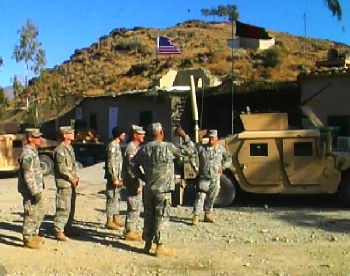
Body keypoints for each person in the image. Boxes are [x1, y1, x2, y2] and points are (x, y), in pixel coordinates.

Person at [132, 123, 194, 257]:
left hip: (149, 188)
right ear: (160, 133)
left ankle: (147, 244)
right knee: (162, 216)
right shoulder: (169, 147)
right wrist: (184, 136)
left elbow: (132, 164)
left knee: (149, 216)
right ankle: (160, 247)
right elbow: (190, 150)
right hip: (163, 189)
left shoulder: (144, 149)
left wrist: (142, 177)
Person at [190, 129, 232, 226]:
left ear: (216, 138)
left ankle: (207, 214)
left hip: (215, 177)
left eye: (213, 138)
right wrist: (195, 168)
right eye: (209, 138)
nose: (211, 140)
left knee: (212, 196)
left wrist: (223, 167)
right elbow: (192, 156)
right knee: (200, 196)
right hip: (204, 176)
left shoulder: (221, 150)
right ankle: (196, 216)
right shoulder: (202, 148)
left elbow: (228, 158)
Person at [17, 128, 45, 249]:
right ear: (30, 138)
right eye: (37, 137)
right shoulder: (27, 153)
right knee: (30, 212)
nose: (40, 139)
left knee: (39, 211)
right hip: (30, 190)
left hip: (36, 188)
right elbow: (27, 174)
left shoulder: (33, 151)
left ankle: (34, 233)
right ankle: (27, 238)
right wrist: (34, 191)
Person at [53, 126, 79, 241]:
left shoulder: (70, 148)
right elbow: (61, 168)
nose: (73, 134)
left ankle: (68, 227)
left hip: (71, 183)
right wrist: (71, 178)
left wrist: (76, 177)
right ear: (64, 135)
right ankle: (58, 229)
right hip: (64, 183)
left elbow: (73, 164)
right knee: (63, 207)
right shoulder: (60, 150)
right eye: (70, 133)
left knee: (70, 206)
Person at [123, 125, 145, 241]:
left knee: (136, 206)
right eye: (141, 134)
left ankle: (132, 229)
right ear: (135, 135)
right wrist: (136, 184)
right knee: (133, 205)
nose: (143, 136)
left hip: (136, 181)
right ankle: (129, 231)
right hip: (133, 183)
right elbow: (131, 169)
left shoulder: (136, 148)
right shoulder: (131, 148)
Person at [104, 126, 126, 230]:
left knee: (117, 197)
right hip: (113, 177)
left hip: (118, 176)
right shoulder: (112, 146)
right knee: (111, 197)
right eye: (123, 133)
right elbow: (111, 163)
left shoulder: (117, 145)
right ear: (119, 134)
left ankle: (115, 217)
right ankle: (109, 220)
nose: (124, 135)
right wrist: (113, 177)